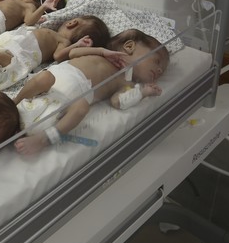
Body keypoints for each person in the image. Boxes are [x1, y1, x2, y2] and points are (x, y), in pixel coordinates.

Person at [12, 29, 169, 155]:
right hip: (48, 85)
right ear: (129, 46)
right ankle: (14, 102)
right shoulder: (100, 53)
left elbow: (118, 101)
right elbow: (72, 54)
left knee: (81, 108)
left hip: (65, 103)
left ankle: (45, 138)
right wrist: (101, 51)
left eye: (161, 71)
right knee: (43, 78)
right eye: (156, 61)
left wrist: (142, 92)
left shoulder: (125, 81)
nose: (159, 69)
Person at [0, 15, 111, 91]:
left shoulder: (63, 42)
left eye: (74, 20)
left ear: (72, 23)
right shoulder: (49, 31)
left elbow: (58, 56)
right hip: (7, 50)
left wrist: (77, 45)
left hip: (16, 60)